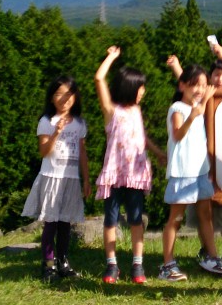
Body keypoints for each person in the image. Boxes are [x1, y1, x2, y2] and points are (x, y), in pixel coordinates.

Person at [165, 41, 222, 262]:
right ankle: (207, 251)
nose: (219, 79)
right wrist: (176, 68)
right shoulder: (203, 98)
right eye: (216, 75)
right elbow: (190, 88)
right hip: (197, 162)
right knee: (202, 211)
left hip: (219, 159)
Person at [94, 46, 165, 285]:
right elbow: (98, 78)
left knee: (136, 219)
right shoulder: (110, 111)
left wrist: (157, 154)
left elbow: (141, 137)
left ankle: (137, 263)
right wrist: (112, 57)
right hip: (115, 174)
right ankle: (112, 265)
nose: (143, 92)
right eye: (140, 88)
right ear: (130, 88)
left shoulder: (136, 111)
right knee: (110, 220)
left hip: (135, 174)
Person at [159, 64, 222, 280]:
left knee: (205, 215)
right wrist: (194, 114)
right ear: (182, 86)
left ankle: (213, 257)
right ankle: (167, 264)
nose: (199, 89)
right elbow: (178, 134)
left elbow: (209, 91)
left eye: (203, 85)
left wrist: (206, 98)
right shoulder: (178, 108)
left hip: (200, 171)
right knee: (175, 219)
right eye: (194, 85)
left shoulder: (199, 105)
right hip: (182, 173)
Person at [21, 76, 91, 283]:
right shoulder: (46, 121)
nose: (64, 99)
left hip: (70, 179)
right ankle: (48, 264)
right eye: (59, 94)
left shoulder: (79, 123)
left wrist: (86, 179)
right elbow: (43, 151)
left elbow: (83, 153)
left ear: (75, 97)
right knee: (50, 223)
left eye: (69, 94)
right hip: (52, 177)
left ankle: (63, 262)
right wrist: (56, 133)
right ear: (52, 98)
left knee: (65, 224)